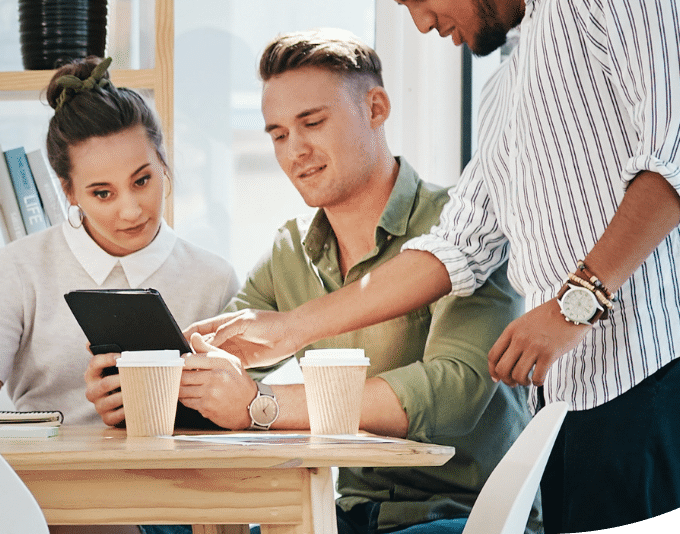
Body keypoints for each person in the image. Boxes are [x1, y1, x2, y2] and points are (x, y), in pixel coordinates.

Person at [193, 0, 680, 533]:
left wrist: (574, 301)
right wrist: (292, 327)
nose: (419, 22)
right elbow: (456, 247)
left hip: (668, 353)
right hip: (582, 384)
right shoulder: (510, 86)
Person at [87, 29, 535, 534]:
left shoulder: (460, 231)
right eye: (278, 134)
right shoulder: (289, 252)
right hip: (341, 511)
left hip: (460, 516)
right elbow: (224, 376)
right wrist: (146, 393)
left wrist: (260, 407)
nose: (295, 150)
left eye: (313, 123)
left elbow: (453, 393)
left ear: (376, 107)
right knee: (165, 522)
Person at [0, 56, 238, 428]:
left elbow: (233, 419)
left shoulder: (214, 280)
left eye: (142, 181)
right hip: (43, 480)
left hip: (178, 479)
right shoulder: (20, 268)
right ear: (68, 190)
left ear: (162, 162)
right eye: (103, 193)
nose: (131, 210)